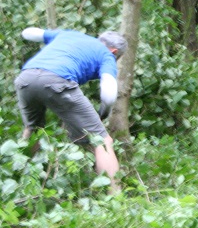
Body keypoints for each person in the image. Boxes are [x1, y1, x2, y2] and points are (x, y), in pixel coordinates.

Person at [14, 27, 128, 192]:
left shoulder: (69, 34)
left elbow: (29, 33)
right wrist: (104, 112)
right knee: (102, 141)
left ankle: (19, 182)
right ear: (114, 51)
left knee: (34, 131)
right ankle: (115, 196)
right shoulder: (107, 55)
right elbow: (109, 94)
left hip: (26, 78)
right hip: (57, 80)